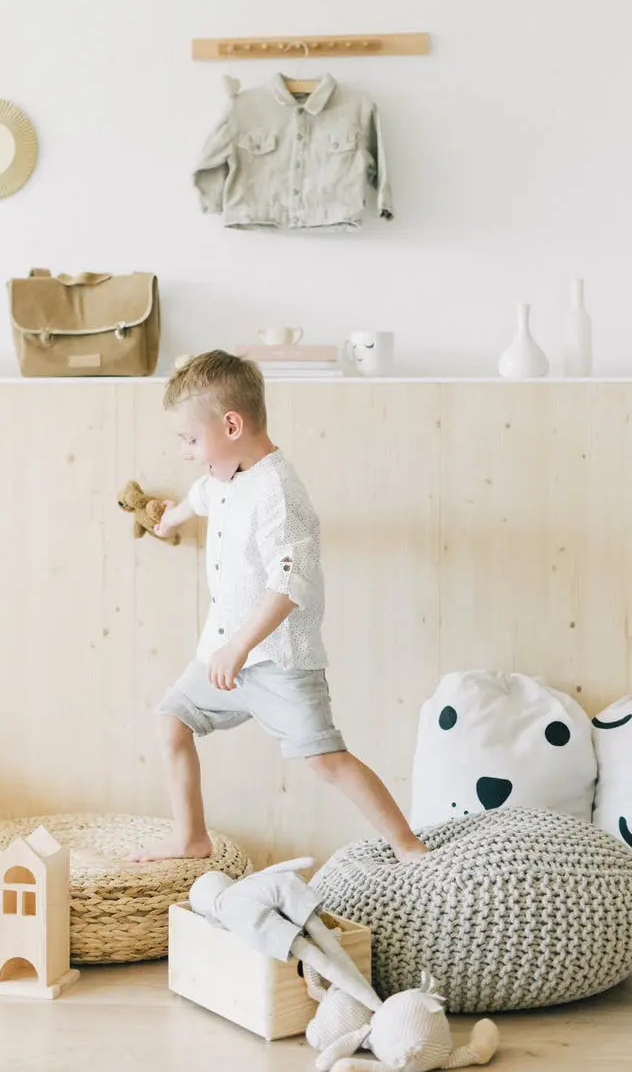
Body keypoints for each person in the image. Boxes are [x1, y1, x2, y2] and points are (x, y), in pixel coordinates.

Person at [130, 351, 427, 864]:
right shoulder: (223, 478)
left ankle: (409, 845)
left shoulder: (280, 494)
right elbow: (200, 496)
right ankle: (190, 836)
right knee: (171, 723)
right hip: (222, 658)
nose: (185, 453)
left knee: (327, 760)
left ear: (231, 425)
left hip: (277, 662)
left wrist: (241, 646)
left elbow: (292, 584)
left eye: (190, 440)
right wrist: (169, 519)